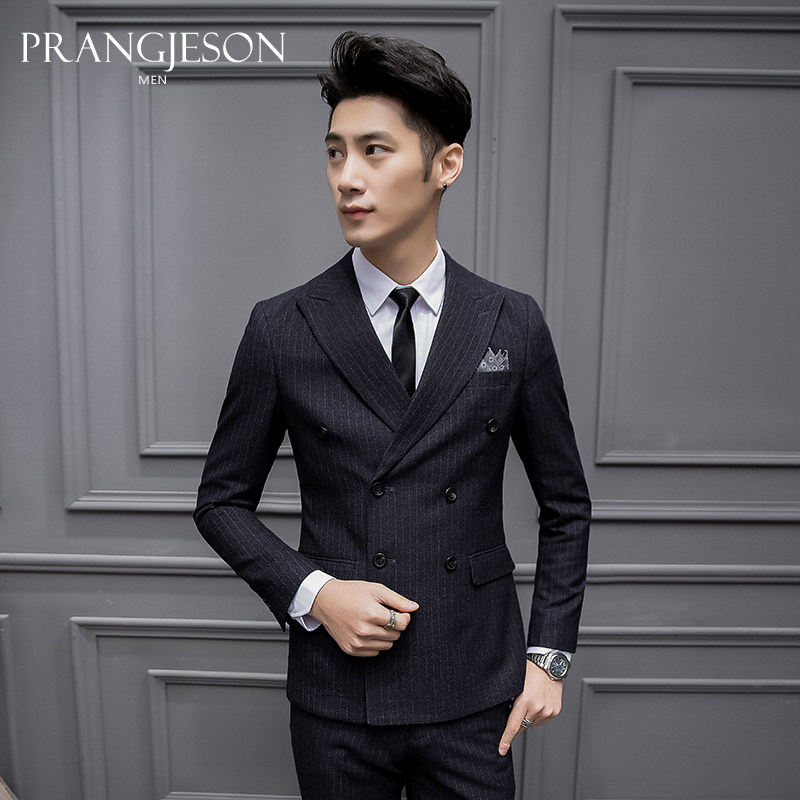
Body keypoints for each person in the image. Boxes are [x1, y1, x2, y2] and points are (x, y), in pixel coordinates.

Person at [194, 30, 591, 799]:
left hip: (474, 684)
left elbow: (566, 505)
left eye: (374, 151)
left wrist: (549, 657)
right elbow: (220, 503)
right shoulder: (282, 326)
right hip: (339, 696)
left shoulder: (511, 322)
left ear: (446, 165)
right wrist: (317, 593)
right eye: (335, 153)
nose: (347, 177)